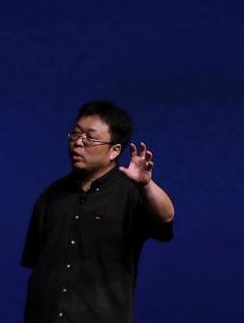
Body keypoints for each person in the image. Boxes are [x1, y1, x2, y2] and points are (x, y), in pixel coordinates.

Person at [21, 100, 174, 322]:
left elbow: (166, 217)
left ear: (114, 150)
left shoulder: (131, 193)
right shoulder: (51, 196)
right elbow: (37, 265)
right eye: (75, 134)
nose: (78, 143)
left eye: (90, 138)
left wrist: (146, 185)